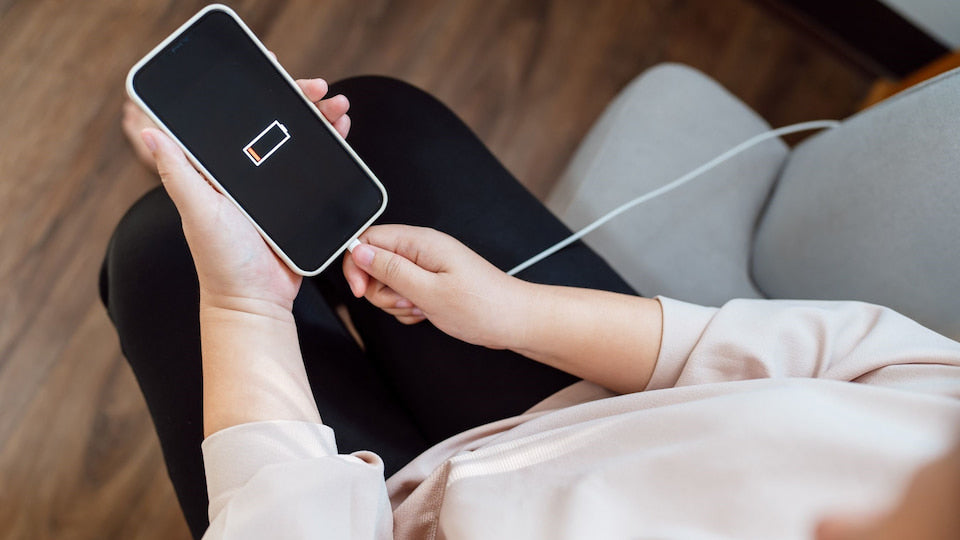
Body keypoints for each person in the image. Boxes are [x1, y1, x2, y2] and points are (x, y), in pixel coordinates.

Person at [102, 75, 960, 540]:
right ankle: (218, 178)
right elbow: (806, 350)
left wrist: (245, 306)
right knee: (387, 125)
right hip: (599, 407)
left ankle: (190, 190)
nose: (835, 518)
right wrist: (510, 311)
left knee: (160, 252)